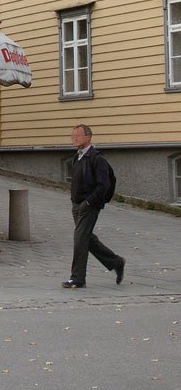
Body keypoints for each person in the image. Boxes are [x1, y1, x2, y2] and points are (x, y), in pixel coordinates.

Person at [62, 124, 125, 289]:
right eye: (72, 136)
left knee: (80, 240)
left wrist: (89, 202)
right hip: (77, 205)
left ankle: (77, 278)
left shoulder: (97, 159)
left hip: (89, 206)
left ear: (88, 137)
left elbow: (104, 185)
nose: (74, 139)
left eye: (78, 136)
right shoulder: (77, 157)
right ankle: (116, 262)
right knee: (87, 238)